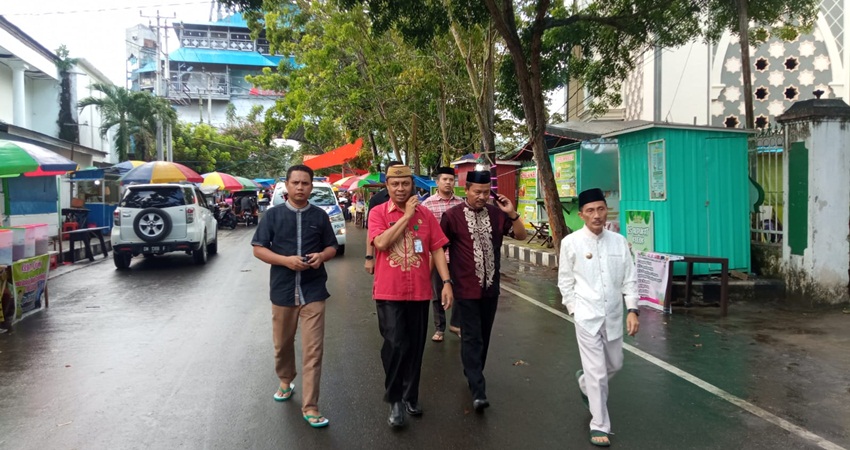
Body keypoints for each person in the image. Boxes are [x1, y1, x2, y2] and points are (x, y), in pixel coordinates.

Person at [251, 164, 339, 429]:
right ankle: (285, 380)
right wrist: (285, 261)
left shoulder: (320, 216)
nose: (301, 187)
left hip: (313, 290)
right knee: (282, 344)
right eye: (296, 183)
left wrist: (321, 256)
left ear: (311, 186)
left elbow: (332, 246)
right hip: (283, 290)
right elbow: (258, 249)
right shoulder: (273, 216)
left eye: (305, 183)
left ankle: (311, 406)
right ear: (287, 186)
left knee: (313, 350)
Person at [369, 164, 453, 428]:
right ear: (388, 187)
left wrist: (447, 282)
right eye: (395, 184)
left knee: (415, 347)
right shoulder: (377, 213)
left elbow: (437, 248)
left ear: (412, 185)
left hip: (418, 292)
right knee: (394, 344)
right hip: (388, 291)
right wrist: (405, 217)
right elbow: (381, 243)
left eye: (405, 184)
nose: (400, 189)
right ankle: (394, 399)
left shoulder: (427, 215)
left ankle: (410, 395)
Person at [557, 187, 639, 447]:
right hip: (586, 316)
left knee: (615, 364)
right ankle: (599, 424)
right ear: (581, 214)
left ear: (606, 211)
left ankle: (583, 383)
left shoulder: (619, 242)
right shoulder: (571, 243)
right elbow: (565, 281)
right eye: (590, 211)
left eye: (600, 209)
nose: (596, 215)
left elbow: (630, 278)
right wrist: (574, 309)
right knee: (598, 373)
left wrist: (633, 310)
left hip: (614, 314)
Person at [440, 170, 527, 412]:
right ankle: (478, 389)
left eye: (486, 192)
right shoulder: (452, 216)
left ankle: (473, 374)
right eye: (477, 192)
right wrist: (443, 282)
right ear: (466, 189)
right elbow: (438, 248)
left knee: (484, 337)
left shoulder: (497, 215)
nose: (481, 196)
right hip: (465, 288)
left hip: (491, 289)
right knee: (472, 336)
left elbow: (521, 235)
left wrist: (512, 213)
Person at [421, 166, 464, 342]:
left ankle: (457, 324)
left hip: (458, 256)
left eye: (450, 179)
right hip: (436, 257)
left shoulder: (461, 203)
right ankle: (440, 328)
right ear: (437, 182)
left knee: (461, 291)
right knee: (437, 293)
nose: (448, 182)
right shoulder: (427, 204)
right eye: (444, 179)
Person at [364, 161, 402, 275]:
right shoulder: (377, 200)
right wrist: (369, 257)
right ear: (386, 179)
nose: (400, 188)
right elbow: (371, 231)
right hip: (385, 254)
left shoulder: (412, 198)